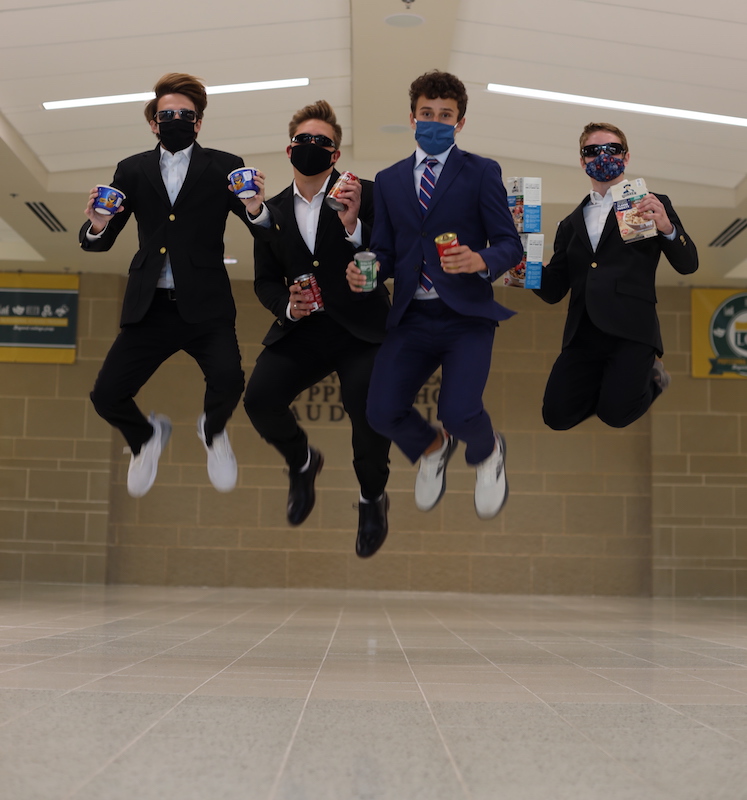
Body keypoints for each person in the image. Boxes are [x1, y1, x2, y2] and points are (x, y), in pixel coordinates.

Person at [347, 71, 522, 520]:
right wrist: (367, 271)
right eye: (427, 113)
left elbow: (509, 243)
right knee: (382, 412)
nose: (435, 121)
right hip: (411, 316)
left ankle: (487, 454)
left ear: (459, 123)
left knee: (460, 411)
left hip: (466, 316)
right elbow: (385, 249)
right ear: (412, 117)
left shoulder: (482, 171)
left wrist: (479, 260)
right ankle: (432, 448)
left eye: (446, 116)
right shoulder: (386, 181)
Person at [79, 73, 260, 497]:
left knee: (230, 381)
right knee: (106, 395)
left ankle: (212, 432)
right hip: (151, 306)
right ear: (153, 122)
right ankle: (145, 439)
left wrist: (256, 209)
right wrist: (97, 225)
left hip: (206, 305)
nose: (175, 119)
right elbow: (99, 243)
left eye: (185, 114)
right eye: (167, 114)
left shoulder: (225, 166)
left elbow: (265, 234)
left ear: (198, 123)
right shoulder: (132, 169)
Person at [243, 100, 392, 558]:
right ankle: (302, 462)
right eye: (303, 141)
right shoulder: (268, 211)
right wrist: (287, 308)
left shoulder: (365, 193)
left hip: (361, 327)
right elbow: (265, 279)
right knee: (259, 400)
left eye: (322, 143)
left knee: (366, 407)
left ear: (336, 154)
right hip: (303, 329)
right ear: (289, 151)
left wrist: (355, 234)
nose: (312, 148)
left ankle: (371, 498)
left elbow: (392, 249)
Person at [533, 122, 699, 430]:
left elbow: (688, 264)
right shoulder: (569, 224)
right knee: (556, 415)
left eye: (612, 149)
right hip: (583, 331)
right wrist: (526, 267)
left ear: (626, 157)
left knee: (615, 415)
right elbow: (554, 288)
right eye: (592, 151)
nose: (602, 156)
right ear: (582, 160)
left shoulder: (652, 203)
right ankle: (610, 385)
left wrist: (666, 227)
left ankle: (654, 378)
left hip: (631, 327)